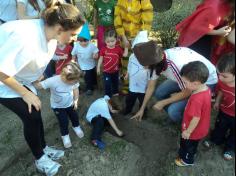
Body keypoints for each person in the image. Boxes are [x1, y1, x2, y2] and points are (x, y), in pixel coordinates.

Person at [0, 3, 84, 175]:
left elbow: (37, 55)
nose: (75, 38)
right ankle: (40, 159)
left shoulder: (50, 34)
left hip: (17, 76)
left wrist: (36, 75)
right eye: (74, 34)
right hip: (3, 79)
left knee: (36, 111)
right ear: (60, 28)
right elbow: (1, 71)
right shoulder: (25, 38)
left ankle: (44, 148)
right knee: (31, 114)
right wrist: (24, 93)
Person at [131, 42, 218, 122]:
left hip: (204, 80)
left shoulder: (176, 65)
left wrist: (163, 102)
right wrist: (142, 109)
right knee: (159, 93)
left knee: (173, 111)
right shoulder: (157, 59)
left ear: (152, 63)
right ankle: (173, 110)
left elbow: (187, 91)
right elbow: (151, 86)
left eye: (144, 65)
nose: (143, 67)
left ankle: (185, 122)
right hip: (186, 76)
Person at [34, 62, 84, 149]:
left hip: (70, 104)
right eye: (73, 82)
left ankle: (76, 126)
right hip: (58, 107)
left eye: (76, 81)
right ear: (65, 78)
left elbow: (75, 89)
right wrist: (37, 79)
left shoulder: (74, 79)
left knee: (75, 117)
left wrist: (75, 100)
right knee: (63, 122)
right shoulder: (53, 80)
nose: (75, 83)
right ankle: (65, 136)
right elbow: (39, 86)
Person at [175, 61, 212, 167]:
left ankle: (187, 160)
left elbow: (196, 118)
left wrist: (188, 132)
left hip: (193, 130)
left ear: (195, 83)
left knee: (188, 145)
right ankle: (191, 152)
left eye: (185, 82)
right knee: (193, 145)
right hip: (201, 127)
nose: (184, 84)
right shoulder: (206, 89)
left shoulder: (197, 99)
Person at [176, 0, 235, 64]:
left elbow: (209, 25)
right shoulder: (213, 9)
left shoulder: (226, 6)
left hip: (208, 35)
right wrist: (217, 32)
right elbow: (197, 26)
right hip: (196, 39)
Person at [114, 0, 154, 94]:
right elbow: (117, 20)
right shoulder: (120, 2)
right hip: (125, 38)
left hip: (139, 38)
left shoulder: (143, 1)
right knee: (126, 62)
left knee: (139, 63)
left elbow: (147, 22)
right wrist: (123, 38)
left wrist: (139, 39)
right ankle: (127, 85)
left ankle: (140, 86)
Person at [203, 53, 235, 161]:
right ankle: (216, 140)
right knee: (220, 126)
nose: (220, 78)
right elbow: (221, 92)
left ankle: (230, 148)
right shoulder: (221, 82)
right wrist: (217, 101)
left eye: (224, 76)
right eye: (218, 74)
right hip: (224, 111)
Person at [123, 31, 149, 115]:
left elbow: (151, 72)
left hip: (143, 85)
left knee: (142, 100)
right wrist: (127, 74)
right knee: (130, 99)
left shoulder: (148, 59)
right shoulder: (132, 57)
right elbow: (129, 66)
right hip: (133, 84)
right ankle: (128, 110)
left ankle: (143, 113)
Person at [97, 29, 128, 98]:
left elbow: (125, 55)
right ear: (105, 41)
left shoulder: (118, 49)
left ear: (116, 39)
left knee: (115, 82)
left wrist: (126, 47)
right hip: (106, 71)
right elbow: (100, 59)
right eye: (108, 42)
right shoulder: (103, 49)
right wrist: (98, 67)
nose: (110, 43)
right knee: (107, 84)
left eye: (112, 41)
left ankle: (115, 92)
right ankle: (107, 95)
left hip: (115, 71)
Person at [72, 23, 99, 95]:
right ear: (78, 40)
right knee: (87, 77)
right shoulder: (77, 45)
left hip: (91, 64)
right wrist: (73, 61)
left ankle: (94, 83)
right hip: (82, 65)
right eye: (81, 41)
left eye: (85, 41)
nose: (83, 43)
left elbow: (96, 52)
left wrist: (95, 55)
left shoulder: (91, 45)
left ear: (89, 40)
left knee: (92, 75)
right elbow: (73, 54)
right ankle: (89, 88)